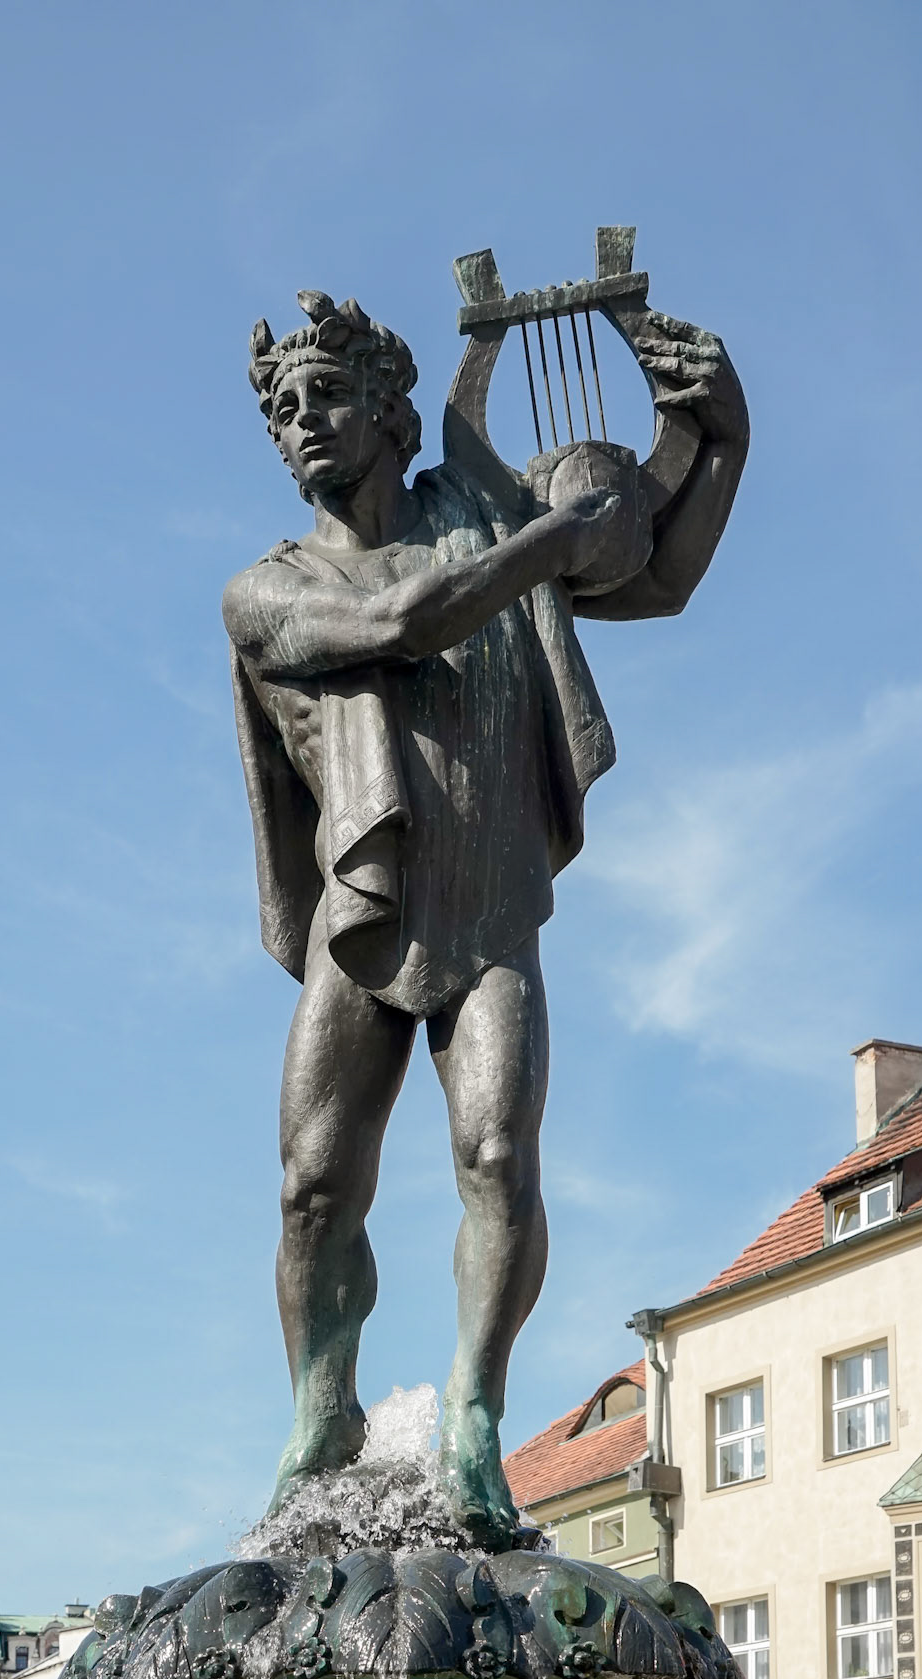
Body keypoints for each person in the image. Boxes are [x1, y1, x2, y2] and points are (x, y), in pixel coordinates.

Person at [225, 286, 747, 1545]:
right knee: (310, 1187)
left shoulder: (490, 517)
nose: (304, 424)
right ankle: (323, 1412)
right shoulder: (267, 589)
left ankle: (472, 1413)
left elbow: (661, 572)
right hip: (368, 908)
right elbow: (407, 619)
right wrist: (549, 534)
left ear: (398, 416)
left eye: (331, 398)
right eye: (284, 409)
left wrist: (719, 436)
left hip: (491, 896)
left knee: (500, 1158)